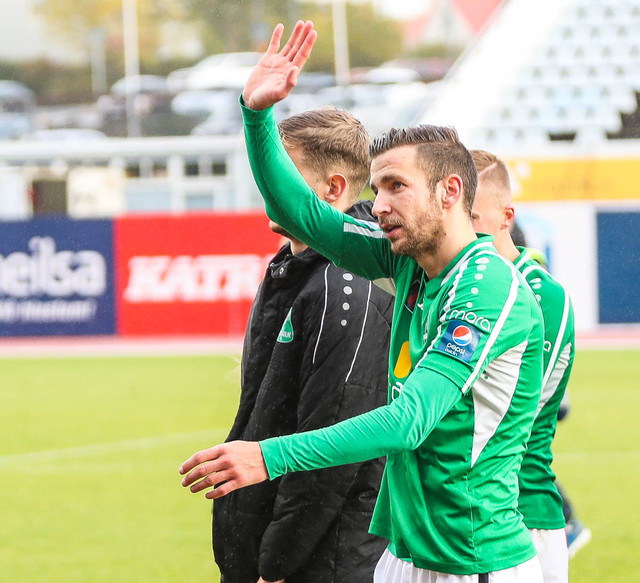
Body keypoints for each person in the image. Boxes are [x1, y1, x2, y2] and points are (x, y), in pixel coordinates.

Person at [181, 21, 546, 582]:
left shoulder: (487, 287)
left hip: (471, 560)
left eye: (397, 186)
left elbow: (408, 422)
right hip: (402, 554)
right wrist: (256, 115)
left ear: (450, 191)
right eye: (376, 190)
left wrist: (268, 456)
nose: (378, 205)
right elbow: (301, 213)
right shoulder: (407, 262)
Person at [212, 106, 393, 583]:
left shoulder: (345, 284)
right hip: (275, 547)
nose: (270, 187)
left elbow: (331, 452)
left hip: (321, 563)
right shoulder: (292, 265)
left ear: (333, 188)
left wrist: (276, 565)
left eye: (285, 174)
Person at [469, 150, 576, 582]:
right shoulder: (448, 281)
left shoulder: (543, 295)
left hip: (520, 518)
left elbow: (508, 419)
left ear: (505, 217)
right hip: (459, 520)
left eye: (471, 217)